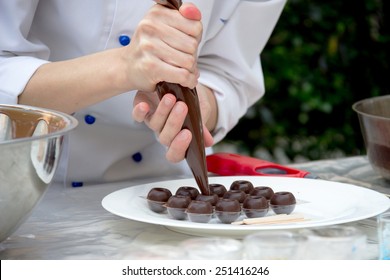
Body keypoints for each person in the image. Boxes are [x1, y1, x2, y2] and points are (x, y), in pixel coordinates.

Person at [0, 0, 287, 187]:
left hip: (166, 190)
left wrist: (193, 107)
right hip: (29, 193)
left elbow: (229, 72)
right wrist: (123, 67)